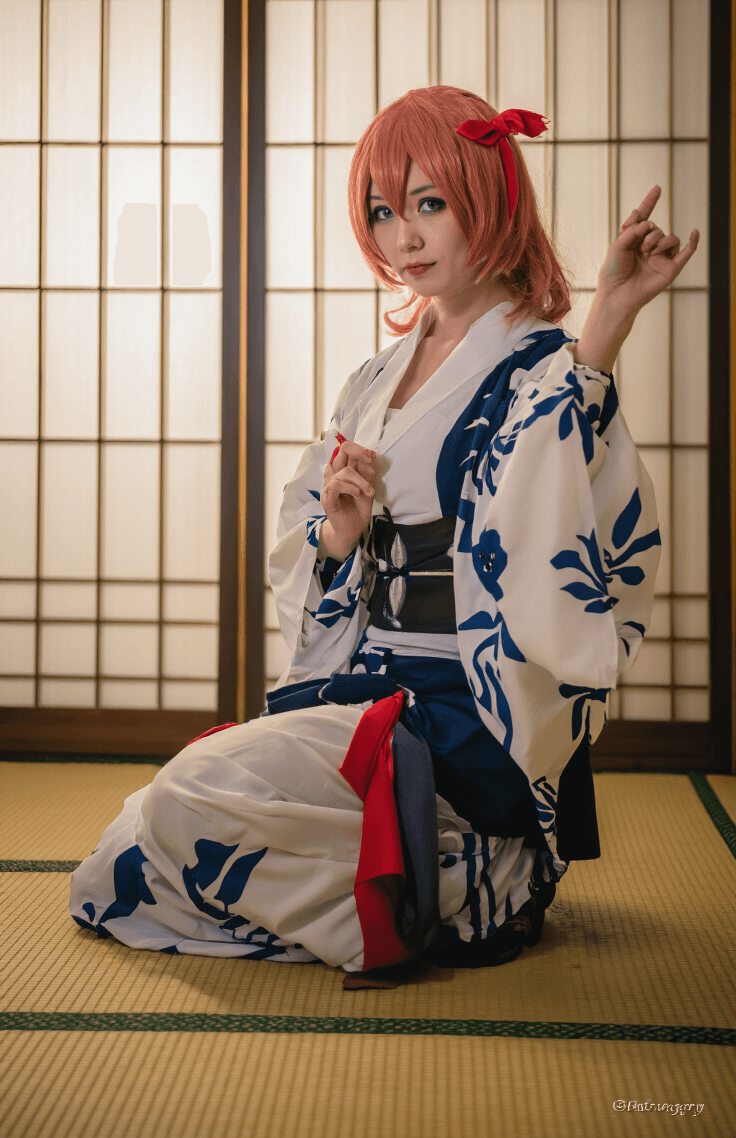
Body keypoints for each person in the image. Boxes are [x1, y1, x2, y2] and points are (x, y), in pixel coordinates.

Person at [69, 86, 698, 976]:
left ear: (493, 197)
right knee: (141, 829)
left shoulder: (543, 363)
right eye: (383, 211)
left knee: (191, 799)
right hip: (364, 686)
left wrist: (602, 331)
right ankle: (429, 885)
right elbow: (316, 546)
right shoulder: (375, 376)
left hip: (463, 713)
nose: (405, 236)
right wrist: (339, 533)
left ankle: (472, 871)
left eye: (430, 204)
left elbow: (549, 514)